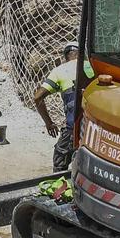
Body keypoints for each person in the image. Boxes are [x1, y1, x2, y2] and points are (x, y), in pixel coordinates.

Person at [33, 40, 83, 173]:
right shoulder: (91, 66)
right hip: (93, 128)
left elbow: (37, 97)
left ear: (65, 56)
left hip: (73, 127)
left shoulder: (59, 71)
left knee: (60, 160)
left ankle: (59, 188)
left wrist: (49, 123)